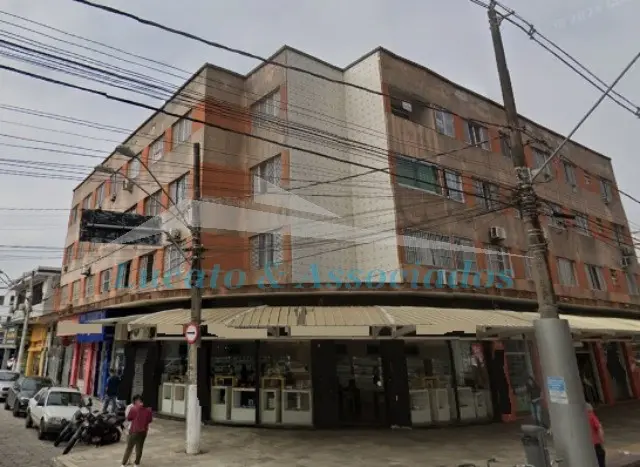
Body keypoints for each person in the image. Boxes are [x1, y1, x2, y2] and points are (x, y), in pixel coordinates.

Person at [121, 395, 152, 467]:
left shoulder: (133, 409)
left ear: (136, 401)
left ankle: (123, 464)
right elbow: (149, 420)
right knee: (139, 448)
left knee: (129, 447)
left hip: (134, 430)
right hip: (143, 431)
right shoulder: (148, 409)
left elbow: (129, 418)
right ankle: (136, 463)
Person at [587, 403, 606, 467]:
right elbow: (599, 428)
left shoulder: (579, 418)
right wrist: (602, 440)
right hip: (596, 444)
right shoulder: (591, 416)